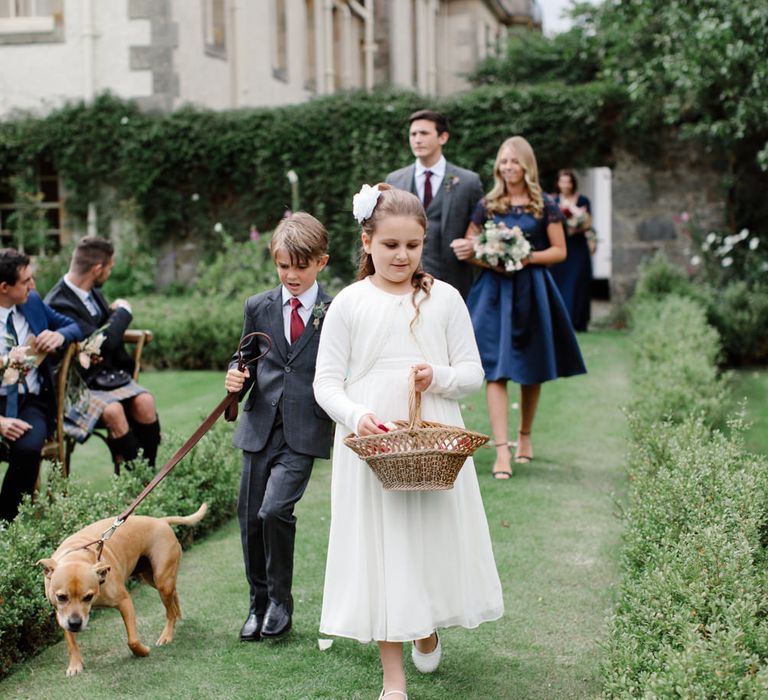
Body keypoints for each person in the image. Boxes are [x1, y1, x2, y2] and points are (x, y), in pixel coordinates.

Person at [313, 184, 503, 700]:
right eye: (390, 245)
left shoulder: (444, 298)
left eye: (412, 246)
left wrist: (435, 376)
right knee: (382, 548)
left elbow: (472, 373)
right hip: (371, 439)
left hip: (432, 436)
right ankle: (392, 679)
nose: (402, 256)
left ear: (424, 244)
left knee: (427, 541)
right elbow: (325, 382)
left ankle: (427, 625)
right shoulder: (349, 303)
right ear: (367, 241)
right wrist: (358, 415)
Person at [224, 212, 333, 642]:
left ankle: (280, 601)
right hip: (258, 426)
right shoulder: (259, 306)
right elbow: (245, 357)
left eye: (300, 267)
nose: (291, 274)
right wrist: (235, 373)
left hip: (304, 430)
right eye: (283, 265)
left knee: (274, 511)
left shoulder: (334, 309)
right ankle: (258, 602)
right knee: (250, 517)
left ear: (321, 262)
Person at [451, 137, 586, 479]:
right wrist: (490, 257)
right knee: (494, 368)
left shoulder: (545, 205)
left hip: (531, 290)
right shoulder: (488, 204)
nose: (507, 167)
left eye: (514, 161)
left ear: (526, 166)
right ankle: (501, 451)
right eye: (503, 161)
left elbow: (559, 251)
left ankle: (524, 436)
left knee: (530, 365)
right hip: (494, 293)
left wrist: (523, 256)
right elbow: (472, 245)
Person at [45, 237, 160, 468]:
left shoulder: (91, 293)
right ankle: (141, 480)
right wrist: (124, 311)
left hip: (106, 378)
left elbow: (102, 331)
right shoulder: (58, 303)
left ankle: (150, 472)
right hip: (76, 387)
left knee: (146, 401)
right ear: (97, 269)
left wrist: (111, 313)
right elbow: (103, 342)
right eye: (109, 268)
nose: (109, 273)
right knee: (114, 411)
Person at [0, 249, 82, 521]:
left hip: (31, 402)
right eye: (26, 281)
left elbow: (74, 327)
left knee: (28, 448)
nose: (33, 286)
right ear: (4, 287)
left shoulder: (32, 303)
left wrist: (58, 336)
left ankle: (5, 524)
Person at [385, 109, 484, 299]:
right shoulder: (395, 180)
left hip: (455, 282)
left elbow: (483, 228)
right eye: (413, 134)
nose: (417, 139)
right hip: (404, 282)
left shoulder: (468, 182)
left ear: (443, 137)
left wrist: (474, 245)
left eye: (424, 133)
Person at [550, 169, 594, 332]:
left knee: (578, 282)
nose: (566, 185)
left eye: (568, 181)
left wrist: (573, 227)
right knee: (561, 282)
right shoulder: (553, 201)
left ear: (573, 183)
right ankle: (562, 321)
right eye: (563, 181)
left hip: (577, 246)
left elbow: (588, 223)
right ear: (558, 183)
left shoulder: (583, 200)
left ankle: (578, 321)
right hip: (560, 245)